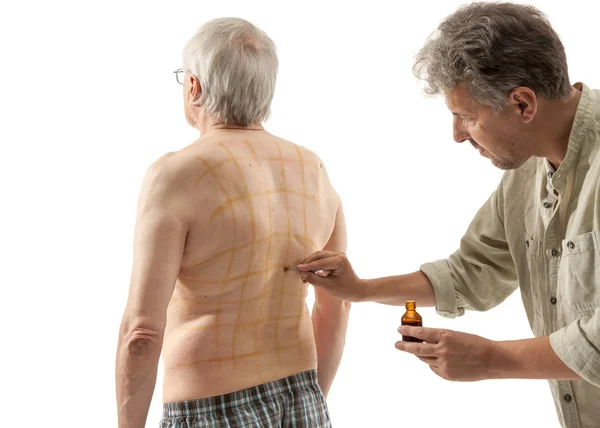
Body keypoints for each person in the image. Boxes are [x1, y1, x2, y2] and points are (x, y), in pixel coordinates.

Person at [296, 3, 600, 428]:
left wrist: (492, 359)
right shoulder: (528, 167)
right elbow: (471, 272)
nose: (457, 135)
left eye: (467, 117)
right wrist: (360, 290)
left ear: (522, 104)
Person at [115, 17, 350, 428]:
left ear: (194, 87)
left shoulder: (176, 175)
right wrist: (310, 402)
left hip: (209, 408)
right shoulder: (312, 168)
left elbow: (142, 333)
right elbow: (338, 303)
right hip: (301, 394)